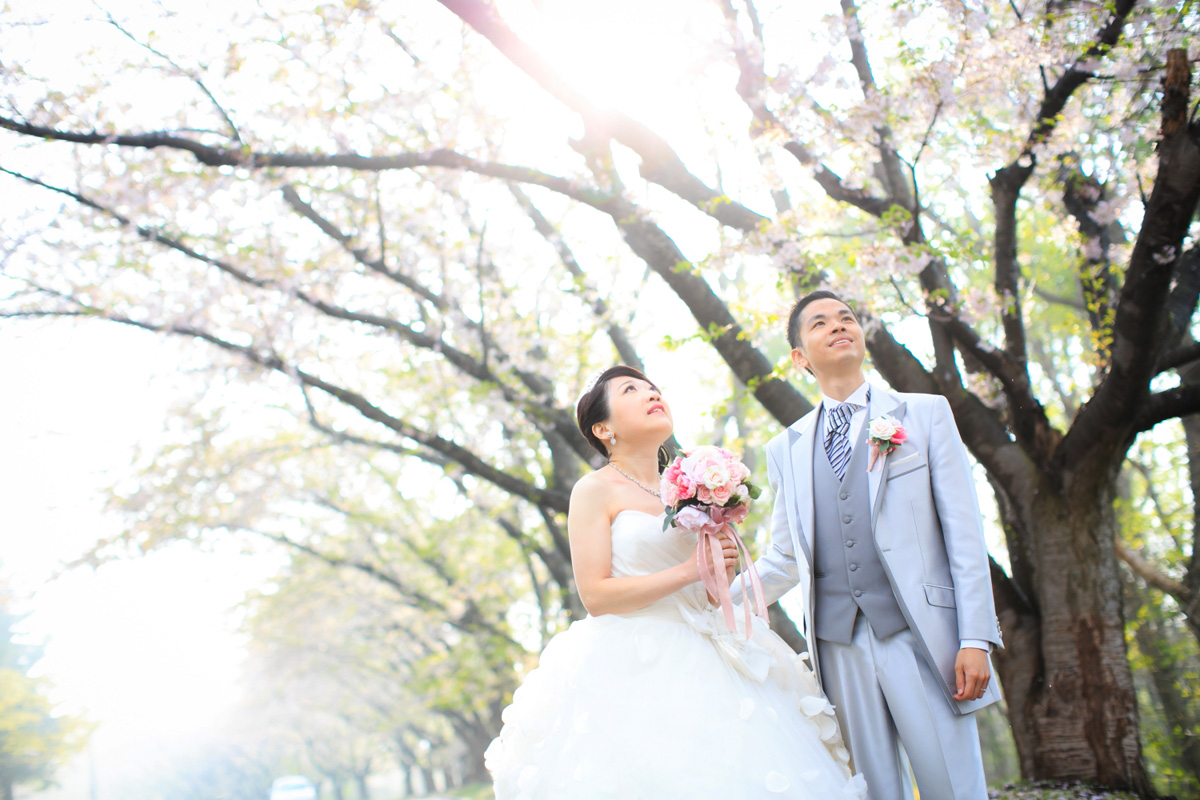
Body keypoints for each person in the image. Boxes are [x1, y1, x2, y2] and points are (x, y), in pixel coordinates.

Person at [485, 365, 867, 799]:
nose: (652, 394)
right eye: (632, 390)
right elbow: (595, 595)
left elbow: (703, 592)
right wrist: (688, 571)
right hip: (636, 657)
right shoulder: (594, 490)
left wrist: (718, 571)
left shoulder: (686, 489)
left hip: (715, 648)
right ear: (603, 428)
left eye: (653, 388)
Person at [732, 290, 1003, 800]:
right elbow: (785, 558)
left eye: (846, 318)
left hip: (923, 639)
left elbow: (964, 534)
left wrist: (975, 639)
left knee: (954, 787)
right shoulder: (784, 448)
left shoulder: (924, 415)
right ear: (799, 358)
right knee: (872, 793)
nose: (838, 326)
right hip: (838, 649)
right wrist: (711, 604)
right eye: (819, 323)